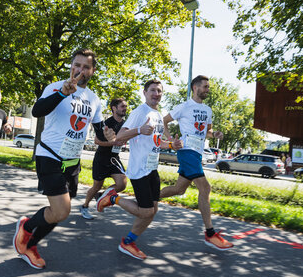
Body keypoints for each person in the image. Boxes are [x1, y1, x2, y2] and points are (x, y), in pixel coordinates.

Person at [12, 48, 114, 270]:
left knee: (60, 212)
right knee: (62, 210)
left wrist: (108, 135)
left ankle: (28, 240)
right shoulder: (57, 87)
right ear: (71, 66)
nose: (80, 70)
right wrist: (62, 94)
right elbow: (38, 111)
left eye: (86, 67)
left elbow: (98, 132)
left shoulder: (94, 99)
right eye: (76, 65)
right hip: (50, 155)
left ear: (93, 71)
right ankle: (27, 233)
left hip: (72, 161)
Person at [96, 79, 182, 260]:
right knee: (146, 212)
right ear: (144, 93)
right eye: (152, 90)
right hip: (139, 169)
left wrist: (172, 145)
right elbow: (119, 137)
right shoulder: (140, 112)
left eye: (159, 91)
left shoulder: (157, 114)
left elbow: (156, 141)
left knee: (153, 210)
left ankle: (128, 242)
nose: (156, 94)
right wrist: (139, 130)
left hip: (152, 168)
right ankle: (112, 197)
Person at [157, 75, 233, 250]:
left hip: (198, 152)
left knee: (179, 189)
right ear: (195, 87)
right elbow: (164, 121)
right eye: (205, 87)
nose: (207, 90)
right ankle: (210, 233)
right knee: (205, 188)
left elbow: (208, 132)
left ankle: (148, 198)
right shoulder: (184, 107)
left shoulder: (207, 110)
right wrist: (170, 140)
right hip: (186, 150)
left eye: (208, 87)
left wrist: (216, 134)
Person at [79, 98, 128, 220]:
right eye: (122, 106)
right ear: (114, 108)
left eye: (126, 106)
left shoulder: (125, 124)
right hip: (101, 158)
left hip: (114, 158)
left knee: (122, 184)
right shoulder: (107, 123)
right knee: (96, 186)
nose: (125, 108)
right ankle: (85, 206)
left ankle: (102, 196)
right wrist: (114, 143)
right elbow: (96, 141)